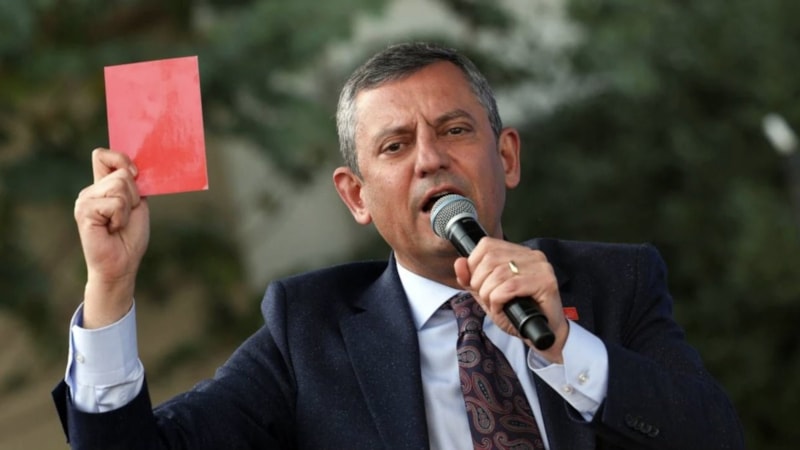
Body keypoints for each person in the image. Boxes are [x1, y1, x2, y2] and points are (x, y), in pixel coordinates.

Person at [52, 42, 744, 449]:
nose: (430, 160)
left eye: (454, 131)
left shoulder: (615, 282)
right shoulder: (309, 332)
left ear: (506, 157)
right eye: (394, 146)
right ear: (356, 195)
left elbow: (716, 436)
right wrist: (109, 288)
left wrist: (564, 345)